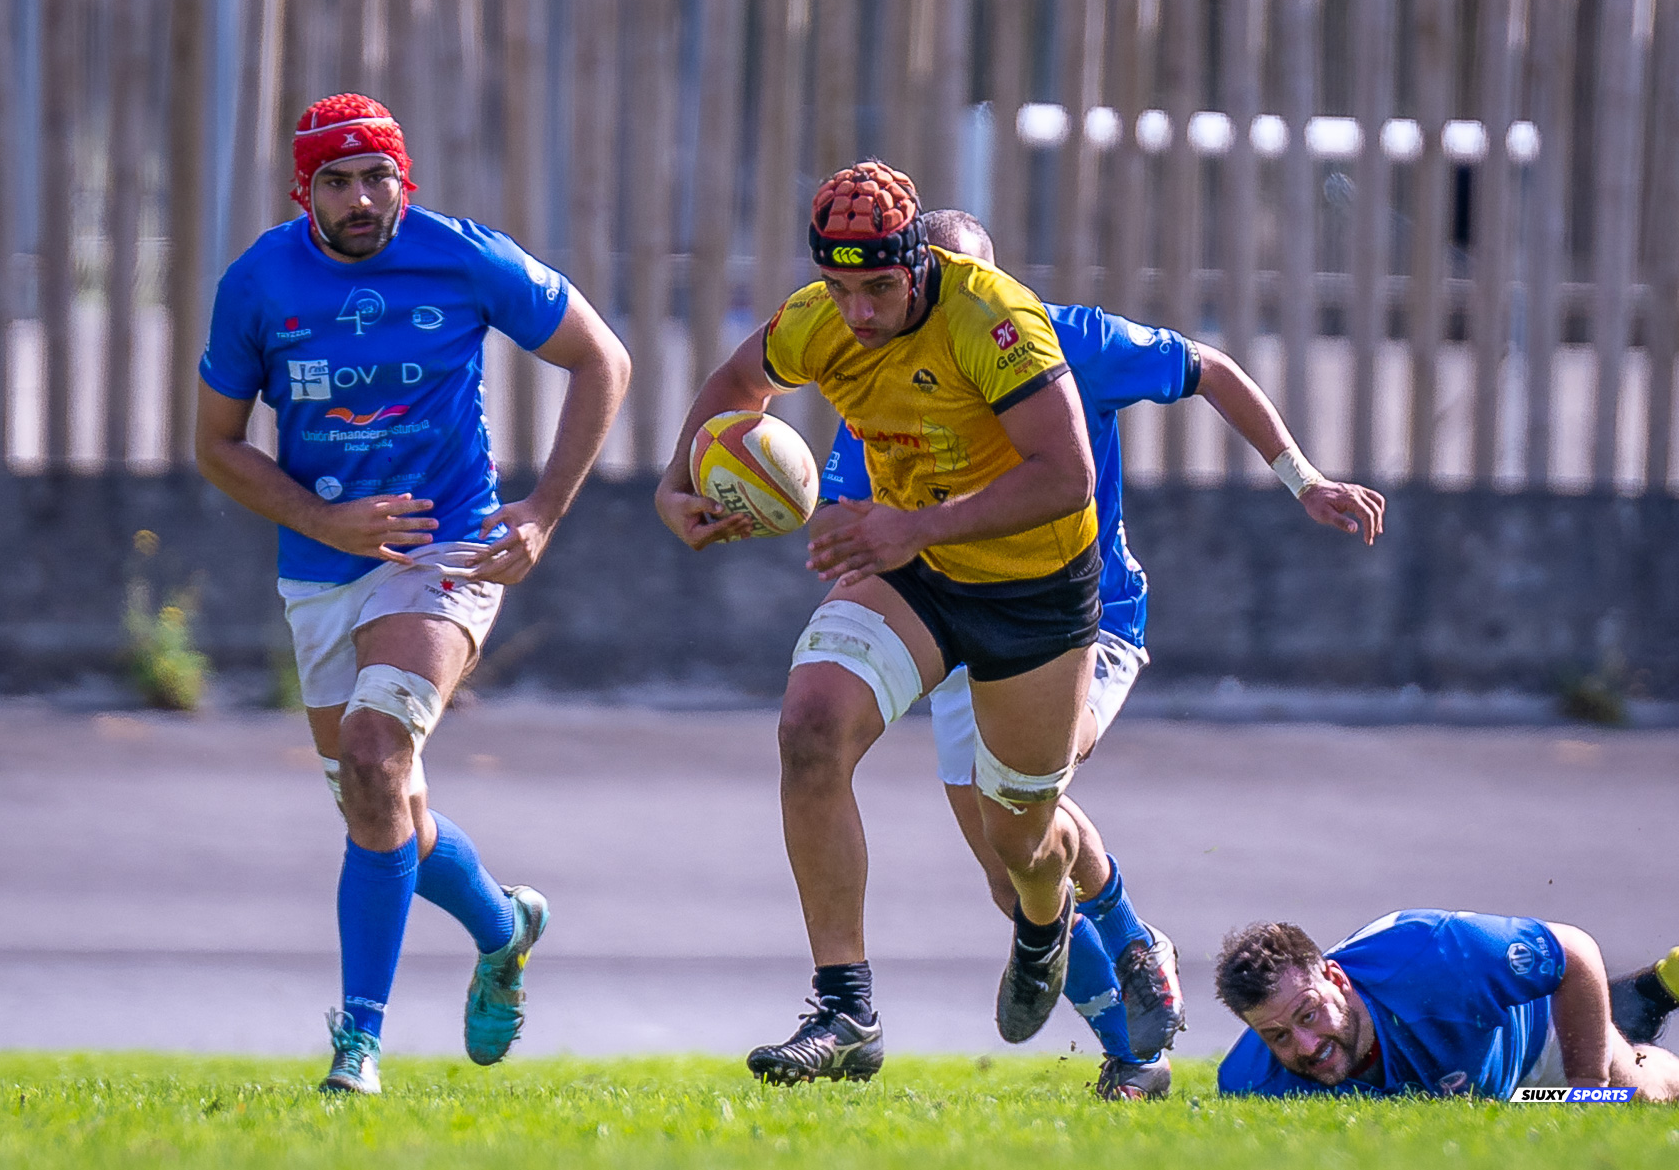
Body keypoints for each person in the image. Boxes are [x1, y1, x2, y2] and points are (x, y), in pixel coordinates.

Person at [816, 210, 1386, 1097]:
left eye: (984, 289)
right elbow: (847, 515)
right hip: (955, 623)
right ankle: (1137, 1053)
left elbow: (1212, 369)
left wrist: (1303, 479)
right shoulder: (886, 366)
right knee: (1012, 879)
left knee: (1034, 795)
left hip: (1087, 616)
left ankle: (1129, 935)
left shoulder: (1064, 342)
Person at [195, 94, 630, 1093]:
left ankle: (359, 1043)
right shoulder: (258, 281)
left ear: (407, 179)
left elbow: (602, 358)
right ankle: (505, 925)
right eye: (336, 181)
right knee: (377, 803)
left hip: (449, 554)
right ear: (303, 190)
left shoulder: (464, 255)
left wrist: (543, 513)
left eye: (375, 176)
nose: (359, 198)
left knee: (374, 751)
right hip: (321, 566)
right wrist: (325, 522)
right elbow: (214, 446)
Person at [657, 160, 1119, 1084]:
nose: (858, 312)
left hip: (1032, 586)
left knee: (1019, 834)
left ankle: (1042, 920)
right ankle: (845, 1007)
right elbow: (739, 378)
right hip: (912, 569)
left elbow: (1068, 474)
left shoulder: (993, 319)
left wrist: (917, 525)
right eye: (839, 288)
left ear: (917, 263)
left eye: (878, 287)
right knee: (810, 728)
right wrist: (677, 484)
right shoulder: (819, 318)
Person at [1215, 911, 1679, 1101]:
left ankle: (1656, 992)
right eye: (1277, 1036)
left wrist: (1586, 1090)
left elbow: (1573, 952)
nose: (1306, 1045)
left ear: (1337, 979)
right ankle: (1641, 998)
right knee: (1523, 1111)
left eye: (1308, 1014)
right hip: (1503, 1099)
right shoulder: (1250, 1083)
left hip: (1531, 1048)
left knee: (1642, 1096)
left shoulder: (1434, 955)